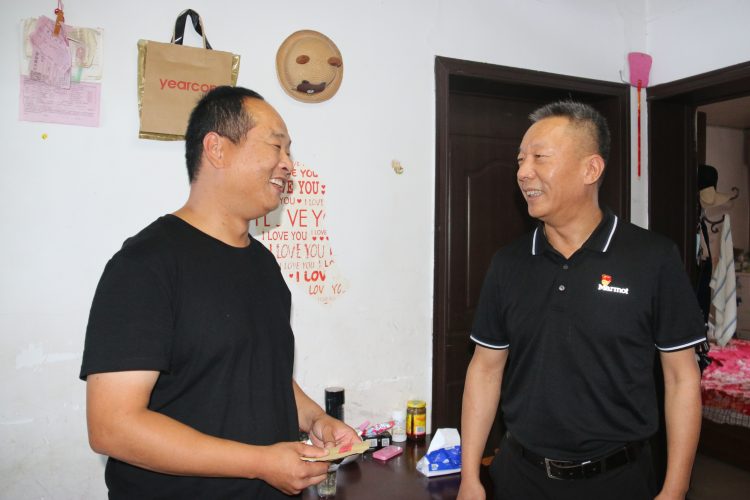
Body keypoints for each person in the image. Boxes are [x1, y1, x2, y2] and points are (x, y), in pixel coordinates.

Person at [79, 86, 359, 499]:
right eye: (276, 146)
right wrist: (260, 462)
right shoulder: (146, 265)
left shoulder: (263, 265)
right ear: (217, 149)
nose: (288, 164)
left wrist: (317, 420)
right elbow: (112, 427)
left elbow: (261, 374)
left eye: (290, 152)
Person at [457, 101, 705, 500]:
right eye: (520, 160)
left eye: (540, 157)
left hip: (620, 480)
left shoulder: (653, 258)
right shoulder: (508, 264)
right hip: (520, 476)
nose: (523, 172)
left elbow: (681, 378)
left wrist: (675, 489)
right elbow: (485, 370)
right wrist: (470, 476)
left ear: (591, 169)